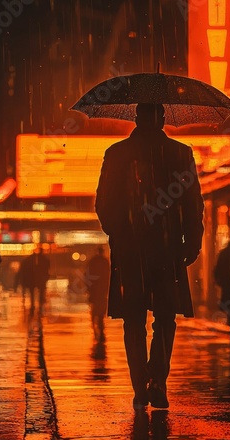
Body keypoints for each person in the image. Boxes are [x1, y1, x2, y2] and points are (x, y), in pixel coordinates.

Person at [96, 103, 204, 409]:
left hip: (130, 250)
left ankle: (140, 386)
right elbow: (193, 202)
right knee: (165, 317)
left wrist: (119, 231)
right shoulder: (180, 153)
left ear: (136, 117)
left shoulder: (116, 153)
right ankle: (157, 379)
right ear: (163, 118)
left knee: (133, 319)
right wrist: (191, 240)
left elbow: (103, 202)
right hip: (167, 249)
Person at [18, 246, 50, 316]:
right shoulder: (45, 260)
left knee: (32, 293)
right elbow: (47, 270)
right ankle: (39, 307)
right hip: (40, 279)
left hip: (33, 279)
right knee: (41, 292)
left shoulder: (29, 260)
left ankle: (33, 306)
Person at [86, 246, 110, 339]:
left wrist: (88, 287)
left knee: (94, 309)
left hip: (95, 288)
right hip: (101, 289)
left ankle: (95, 328)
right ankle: (100, 326)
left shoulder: (93, 261)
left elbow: (87, 275)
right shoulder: (104, 262)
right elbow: (108, 276)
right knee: (100, 309)